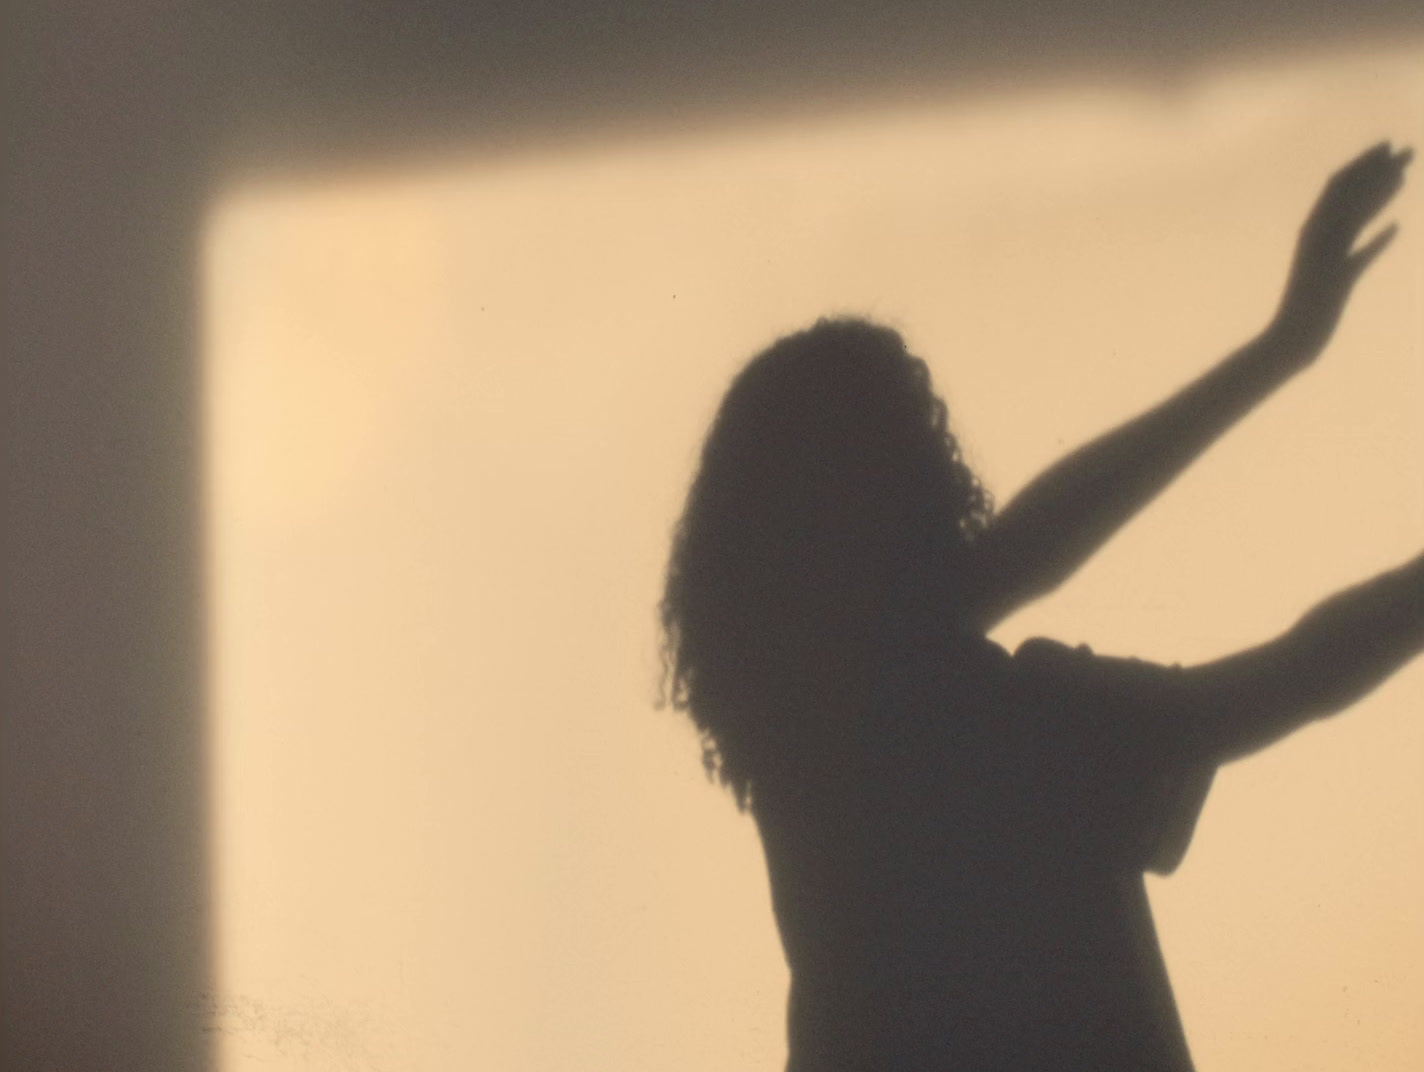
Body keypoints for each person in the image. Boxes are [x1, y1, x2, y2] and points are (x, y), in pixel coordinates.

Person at [659, 142, 1422, 1071]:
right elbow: (1291, 677)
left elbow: (1027, 550)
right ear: (919, 499)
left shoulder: (800, 727)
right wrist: (1279, 352)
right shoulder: (1005, 724)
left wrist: (1280, 352)